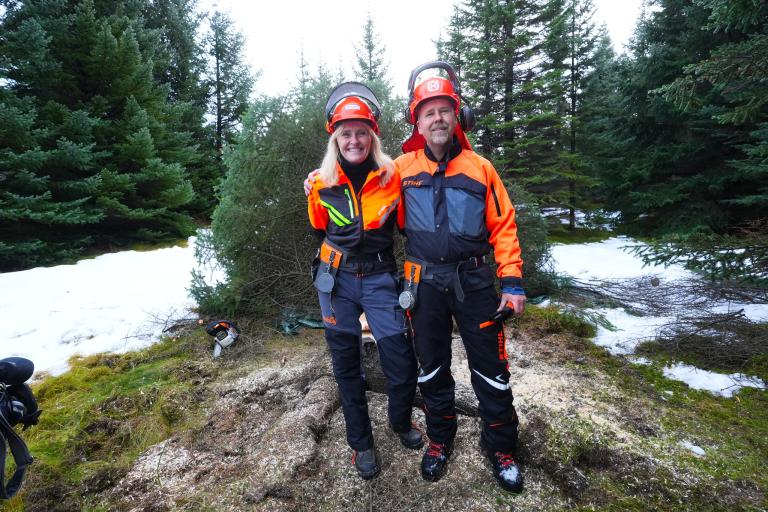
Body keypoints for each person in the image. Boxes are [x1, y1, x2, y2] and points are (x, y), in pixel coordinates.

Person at [394, 62, 525, 493]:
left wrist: (512, 281)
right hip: (422, 284)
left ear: (458, 116)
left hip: (474, 281)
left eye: (444, 110)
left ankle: (501, 446)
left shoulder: (480, 168)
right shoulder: (399, 169)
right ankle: (440, 439)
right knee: (431, 369)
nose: (437, 119)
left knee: (492, 369)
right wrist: (322, 181)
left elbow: (503, 225)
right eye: (428, 112)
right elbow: (363, 195)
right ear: (417, 121)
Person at [307, 82, 423, 480]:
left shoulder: (393, 176)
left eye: (361, 132)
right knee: (346, 366)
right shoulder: (320, 182)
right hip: (335, 280)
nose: (354, 140)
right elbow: (317, 229)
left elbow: (407, 222)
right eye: (346, 133)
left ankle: (400, 421)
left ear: (372, 135)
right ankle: (361, 443)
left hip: (379, 277)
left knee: (400, 360)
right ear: (335, 138)